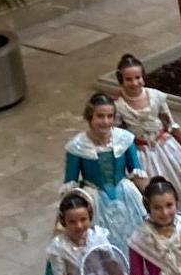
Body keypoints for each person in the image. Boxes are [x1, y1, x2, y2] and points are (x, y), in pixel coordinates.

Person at [62, 94, 146, 252]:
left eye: (110, 116)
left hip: (126, 194)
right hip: (94, 198)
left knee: (136, 238)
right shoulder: (77, 146)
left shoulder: (125, 139)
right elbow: (70, 184)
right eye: (100, 116)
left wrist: (150, 199)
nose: (106, 121)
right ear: (89, 116)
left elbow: (137, 173)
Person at [111, 56, 181, 187]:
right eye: (128, 79)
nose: (135, 83)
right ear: (121, 80)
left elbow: (171, 124)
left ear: (143, 77)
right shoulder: (118, 105)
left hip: (164, 147)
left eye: (138, 77)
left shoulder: (156, 96)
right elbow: (117, 134)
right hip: (139, 152)